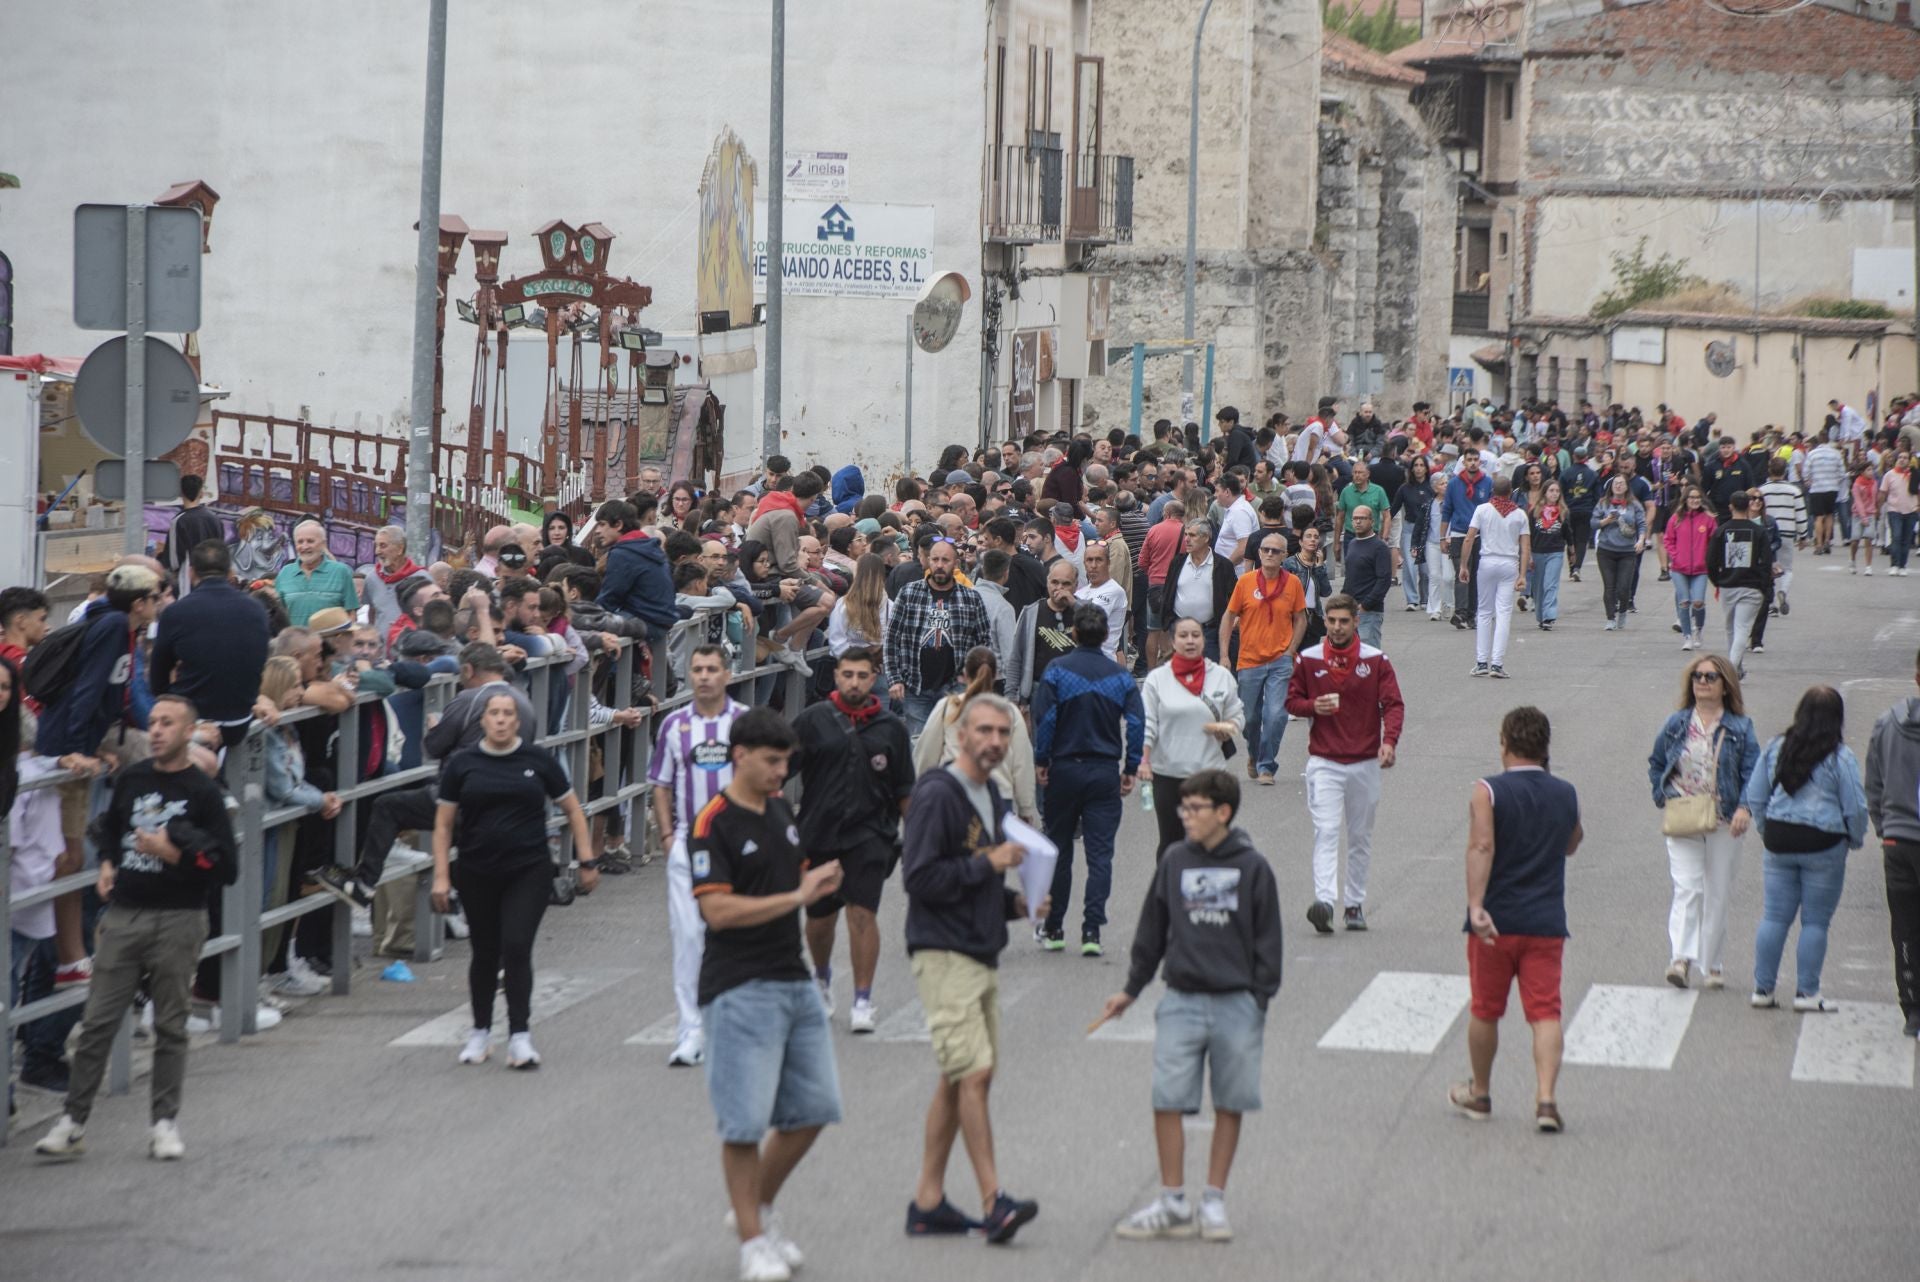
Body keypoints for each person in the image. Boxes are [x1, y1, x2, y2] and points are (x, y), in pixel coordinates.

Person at [35, 695, 236, 1163]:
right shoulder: (133, 778)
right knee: (98, 1022)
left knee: (170, 1024)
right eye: (154, 722)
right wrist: (106, 862)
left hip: (180, 917)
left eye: (169, 723)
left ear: (189, 732)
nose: (159, 730)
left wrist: (177, 855)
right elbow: (111, 826)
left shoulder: (203, 792)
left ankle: (164, 1122)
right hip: (125, 913)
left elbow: (227, 866)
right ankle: (73, 1121)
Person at [690, 708, 846, 1282]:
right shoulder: (714, 822)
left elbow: (798, 879)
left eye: (786, 760)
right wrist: (798, 895)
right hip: (738, 986)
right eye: (773, 761)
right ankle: (753, 1241)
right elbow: (718, 910)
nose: (783, 771)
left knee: (814, 1110)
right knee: (743, 1125)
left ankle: (754, 1208)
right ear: (741, 755)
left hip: (794, 980)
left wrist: (822, 882)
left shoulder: (782, 812)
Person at [1103, 769, 1282, 1242]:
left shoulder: (1252, 867)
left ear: (1222, 812)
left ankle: (1214, 1202)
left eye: (1195, 809)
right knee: (1167, 1099)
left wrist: (1257, 999)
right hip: (1181, 998)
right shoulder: (1175, 860)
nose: (1185, 817)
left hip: (1236, 1003)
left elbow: (1268, 940)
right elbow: (1151, 928)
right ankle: (1173, 1200)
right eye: (1183, 808)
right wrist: (1132, 988)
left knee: (1229, 1102)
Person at [900, 692, 1042, 1244]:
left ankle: (928, 1201)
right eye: (983, 731)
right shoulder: (939, 794)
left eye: (1003, 734)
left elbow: (976, 880)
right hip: (942, 950)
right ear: (959, 736)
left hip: (980, 947)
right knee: (975, 1074)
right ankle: (994, 1202)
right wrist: (991, 861)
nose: (994, 742)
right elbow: (919, 878)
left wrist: (1017, 905)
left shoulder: (991, 797)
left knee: (957, 1077)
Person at [430, 691, 595, 1070]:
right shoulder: (463, 764)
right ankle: (480, 1033)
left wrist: (587, 861)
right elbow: (443, 825)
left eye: (508, 714)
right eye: (494, 714)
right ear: (484, 721)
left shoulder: (537, 760)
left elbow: (572, 809)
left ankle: (520, 1036)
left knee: (517, 945)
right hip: (476, 869)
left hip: (528, 869)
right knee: (485, 952)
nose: (501, 720)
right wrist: (441, 876)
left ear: (517, 722)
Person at [1449, 706, 1582, 1134]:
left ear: (1504, 743)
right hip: (1545, 921)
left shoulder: (1487, 791)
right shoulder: (1565, 792)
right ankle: (1545, 1099)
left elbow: (1482, 846)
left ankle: (1482, 1092)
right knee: (1545, 1012)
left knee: (1486, 1010)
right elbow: (1572, 842)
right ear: (1545, 748)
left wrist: (1475, 906)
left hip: (1497, 920)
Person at [792, 646, 915, 1033]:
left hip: (871, 835)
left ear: (874, 676)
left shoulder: (891, 728)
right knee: (820, 918)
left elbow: (905, 789)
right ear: (837, 675)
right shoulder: (812, 721)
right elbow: (776, 773)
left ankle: (863, 999)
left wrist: (918, 840)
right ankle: (822, 980)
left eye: (862, 675)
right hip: (820, 832)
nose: (854, 682)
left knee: (862, 914)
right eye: (847, 675)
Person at [648, 645, 750, 1068]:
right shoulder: (674, 725)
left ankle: (735, 1027)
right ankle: (690, 1030)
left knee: (738, 936)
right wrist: (668, 834)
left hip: (738, 844)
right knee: (689, 938)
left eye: (712, 669)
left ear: (727, 674)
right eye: (697, 669)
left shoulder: (745, 723)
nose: (704, 676)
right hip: (690, 843)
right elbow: (660, 783)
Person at [1744, 686, 1869, 1014]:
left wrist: (1766, 828)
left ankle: (1763, 988)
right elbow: (1855, 806)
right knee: (1815, 922)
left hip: (1780, 838)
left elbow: (1756, 796)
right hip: (1824, 843)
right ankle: (1807, 992)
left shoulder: (1776, 747)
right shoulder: (1840, 757)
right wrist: (1853, 839)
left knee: (1774, 916)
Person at [1284, 595, 1405, 933]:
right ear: (1325, 621)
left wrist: (1389, 742)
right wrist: (1313, 707)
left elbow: (1393, 704)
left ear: (1356, 622)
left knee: (1360, 837)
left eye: (1344, 621)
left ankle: (1353, 904)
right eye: (1332, 621)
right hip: (1324, 761)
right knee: (1326, 830)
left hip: (1365, 762)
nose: (1337, 627)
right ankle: (1324, 902)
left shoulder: (1375, 660)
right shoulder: (1308, 660)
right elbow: (1291, 701)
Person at [1032, 604, 1144, 955]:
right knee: (1100, 854)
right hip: (1104, 770)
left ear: (1073, 634)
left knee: (1059, 849)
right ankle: (1092, 930)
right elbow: (1138, 724)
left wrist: (1041, 759)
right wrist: (1131, 767)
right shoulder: (1120, 677)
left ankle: (1054, 928)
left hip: (1064, 768)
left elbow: (1046, 718)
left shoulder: (1057, 670)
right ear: (1107, 636)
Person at [1646, 655, 1762, 990]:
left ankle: (1711, 963)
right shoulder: (1676, 723)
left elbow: (1753, 773)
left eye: (1710, 677)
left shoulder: (1740, 727)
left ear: (1725, 685)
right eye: (1697, 676)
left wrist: (1745, 809)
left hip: (1726, 822)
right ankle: (1680, 959)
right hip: (1684, 815)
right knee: (1687, 887)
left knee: (1718, 892)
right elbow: (1656, 762)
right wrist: (1664, 794)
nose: (1702, 682)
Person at [1139, 617, 1245, 860]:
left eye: (1195, 635)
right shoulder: (1158, 679)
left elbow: (1237, 716)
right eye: (1183, 636)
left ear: (1203, 640)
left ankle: (1207, 892)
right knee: (1171, 842)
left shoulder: (1220, 676)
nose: (1190, 641)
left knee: (1210, 840)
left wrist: (1228, 727)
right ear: (1173, 642)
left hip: (1209, 773)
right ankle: (1169, 893)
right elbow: (1148, 723)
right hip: (1168, 773)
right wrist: (1144, 760)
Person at [1220, 531, 1308, 785]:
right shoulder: (1245, 582)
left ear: (1284, 556)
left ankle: (1266, 766)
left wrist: (1291, 649)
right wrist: (1225, 654)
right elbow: (1229, 616)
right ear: (1258, 553)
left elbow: (1301, 617)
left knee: (1276, 715)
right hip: (1249, 660)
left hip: (1280, 659)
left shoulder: (1292, 583)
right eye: (1266, 550)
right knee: (1249, 719)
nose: (1269, 554)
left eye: (1275, 551)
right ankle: (1254, 753)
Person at [915, 646, 1039, 825]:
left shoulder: (948, 707)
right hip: (999, 796)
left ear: (964, 674)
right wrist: (1026, 807)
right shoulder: (1008, 712)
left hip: (954, 793)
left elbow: (926, 754)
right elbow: (1022, 762)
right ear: (996, 674)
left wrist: (922, 790)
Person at [1863, 649, 1920, 1037]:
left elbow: (1874, 782)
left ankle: (1912, 1007)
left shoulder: (1889, 721)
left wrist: (1886, 826)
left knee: (1904, 925)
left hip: (1899, 839)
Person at [885, 537, 991, 736]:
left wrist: (974, 676)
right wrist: (894, 678)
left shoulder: (971, 597)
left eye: (945, 560)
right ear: (927, 560)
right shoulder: (909, 593)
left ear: (955, 563)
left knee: (955, 746)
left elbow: (984, 642)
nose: (939, 565)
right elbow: (892, 638)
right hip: (915, 686)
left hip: (956, 687)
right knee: (919, 748)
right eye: (935, 560)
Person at [1458, 475, 1529, 678]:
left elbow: (1469, 538)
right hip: (1509, 563)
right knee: (1504, 613)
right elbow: (1525, 546)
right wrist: (1523, 574)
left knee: (1484, 611)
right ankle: (1497, 663)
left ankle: (1481, 661)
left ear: (1492, 491)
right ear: (1510, 492)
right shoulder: (1519, 514)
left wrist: (1464, 565)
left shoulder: (1482, 510)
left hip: (1487, 561)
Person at [1706, 490, 1774, 676]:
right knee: (1742, 627)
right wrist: (1763, 584)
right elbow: (1767, 561)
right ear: (1748, 505)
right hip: (1751, 585)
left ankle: (1733, 667)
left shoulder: (1721, 531)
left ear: (1730, 507)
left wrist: (1717, 581)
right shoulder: (1759, 531)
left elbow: (1711, 561)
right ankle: (1734, 667)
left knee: (1731, 628)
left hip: (1728, 584)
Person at [595, 498, 681, 636]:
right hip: (662, 622)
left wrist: (589, 615)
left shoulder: (623, 552)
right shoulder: (649, 546)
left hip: (644, 621)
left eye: (602, 524)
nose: (597, 531)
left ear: (618, 525)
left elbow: (610, 597)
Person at [1005, 558, 1079, 709]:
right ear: (1047, 582)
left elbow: (1099, 628)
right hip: (1040, 691)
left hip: (1075, 690)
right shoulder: (1031, 612)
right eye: (1055, 582)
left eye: (1066, 584)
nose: (1059, 588)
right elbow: (1016, 657)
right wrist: (1012, 698)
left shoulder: (1083, 611)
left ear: (1076, 586)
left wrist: (1074, 604)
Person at [1162, 518, 1238, 663]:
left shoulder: (1222, 565)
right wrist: (1168, 621)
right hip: (1179, 629)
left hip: (1209, 632)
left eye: (1192, 535)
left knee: (1209, 677)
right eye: (1186, 535)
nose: (1186, 539)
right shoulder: (1177, 562)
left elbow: (1234, 596)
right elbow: (1168, 591)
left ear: (1206, 538)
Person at [274, 519, 358, 627]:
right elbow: (278, 615)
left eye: (310, 541)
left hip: (330, 643)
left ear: (323, 544)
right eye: (300, 542)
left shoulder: (341, 572)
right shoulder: (284, 573)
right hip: (295, 643)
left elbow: (351, 614)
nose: (304, 546)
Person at [1441, 452, 1492, 629]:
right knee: (1461, 573)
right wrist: (1442, 536)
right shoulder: (1454, 483)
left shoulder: (1487, 482)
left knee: (1476, 575)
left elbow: (1491, 510)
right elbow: (1446, 510)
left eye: (1475, 460)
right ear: (1463, 462)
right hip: (1458, 534)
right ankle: (1460, 612)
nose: (1472, 463)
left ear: (1480, 462)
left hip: (1479, 535)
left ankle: (1471, 614)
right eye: (1469, 460)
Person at [1663, 484, 1716, 652]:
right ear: (1685, 500)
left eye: (1698, 498)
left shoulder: (1708, 519)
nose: (1695, 501)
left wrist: (1709, 558)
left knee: (1698, 602)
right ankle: (1687, 636)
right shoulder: (1676, 518)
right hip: (1679, 568)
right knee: (1684, 602)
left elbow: (1714, 541)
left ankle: (1698, 629)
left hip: (1700, 568)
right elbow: (1668, 540)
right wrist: (1675, 555)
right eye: (1691, 498)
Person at [1593, 473, 1648, 632]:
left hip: (1627, 551)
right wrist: (1605, 521)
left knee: (1624, 587)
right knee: (1609, 586)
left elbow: (1641, 524)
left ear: (1626, 486)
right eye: (1616, 483)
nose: (1618, 486)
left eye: (1621, 483)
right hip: (1606, 550)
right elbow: (1593, 523)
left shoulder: (1634, 504)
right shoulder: (1603, 503)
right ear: (1611, 486)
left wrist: (1641, 539)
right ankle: (1610, 618)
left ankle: (1623, 610)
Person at [356, 525, 426, 646]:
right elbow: (372, 612)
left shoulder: (422, 578)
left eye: (383, 546)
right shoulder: (372, 579)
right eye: (376, 546)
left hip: (413, 651)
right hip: (381, 653)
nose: (377, 551)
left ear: (400, 548)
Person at [1756, 457, 1806, 613]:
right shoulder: (1794, 491)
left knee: (1768, 566)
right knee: (1787, 567)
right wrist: (1803, 535)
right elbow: (1801, 513)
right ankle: (1783, 591)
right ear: (1785, 471)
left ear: (1769, 470)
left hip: (1766, 532)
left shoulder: (1762, 490)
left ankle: (1770, 604)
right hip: (1787, 531)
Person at [162, 474, 224, 597]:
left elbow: (174, 561)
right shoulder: (215, 519)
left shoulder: (179, 521)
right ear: (201, 493)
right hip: (215, 578)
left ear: (181, 493)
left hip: (189, 583)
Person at [1340, 505, 1392, 648]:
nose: (1357, 522)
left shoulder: (1379, 547)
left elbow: (1384, 580)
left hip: (1369, 611)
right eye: (1355, 518)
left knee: (1369, 657)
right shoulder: (1352, 543)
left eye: (1362, 518)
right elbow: (1350, 577)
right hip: (1350, 610)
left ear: (1372, 521)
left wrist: (1367, 604)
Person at [1075, 540, 1128, 663]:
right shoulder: (1080, 592)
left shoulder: (1115, 591)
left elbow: (1090, 620)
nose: (1093, 565)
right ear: (1084, 563)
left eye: (1099, 560)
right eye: (1089, 560)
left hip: (1104, 662)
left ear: (1108, 563)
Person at [1526, 480, 1567, 632]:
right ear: (1545, 493)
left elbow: (1568, 533)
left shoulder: (1562, 511)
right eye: (1551, 491)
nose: (1554, 494)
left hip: (1555, 552)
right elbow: (1528, 534)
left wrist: (1572, 553)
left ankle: (1549, 615)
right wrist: (1528, 555)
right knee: (1538, 587)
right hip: (1537, 552)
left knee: (1550, 584)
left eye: (1557, 491)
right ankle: (1541, 616)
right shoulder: (1534, 512)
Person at [1880, 447, 1917, 575]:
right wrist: (1878, 508)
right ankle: (1894, 564)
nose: (1902, 460)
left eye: (1905, 458)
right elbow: (1883, 492)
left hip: (1911, 511)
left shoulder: (1914, 474)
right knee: (1896, 536)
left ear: (1909, 460)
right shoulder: (1889, 475)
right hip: (1894, 510)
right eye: (1900, 457)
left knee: (1906, 539)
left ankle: (1902, 566)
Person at [1848, 460, 1880, 576]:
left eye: (1872, 469)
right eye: (1868, 470)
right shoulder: (1856, 484)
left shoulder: (1874, 483)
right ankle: (1852, 560)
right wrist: (1863, 517)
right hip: (1858, 514)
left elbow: (1875, 498)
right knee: (1855, 540)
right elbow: (1858, 502)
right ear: (1862, 472)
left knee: (1868, 539)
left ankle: (1868, 566)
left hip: (1870, 513)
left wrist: (1876, 510)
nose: (1871, 472)